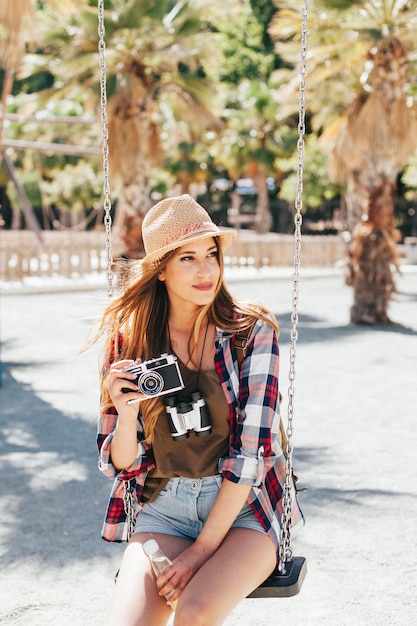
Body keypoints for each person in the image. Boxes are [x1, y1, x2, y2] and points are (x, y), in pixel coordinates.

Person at [95, 194, 304, 626]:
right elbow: (119, 464)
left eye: (211, 254)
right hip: (164, 509)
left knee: (194, 614)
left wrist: (199, 553)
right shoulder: (129, 341)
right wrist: (128, 412)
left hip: (246, 508)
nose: (206, 269)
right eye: (188, 258)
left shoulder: (250, 332)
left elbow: (252, 454)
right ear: (161, 270)